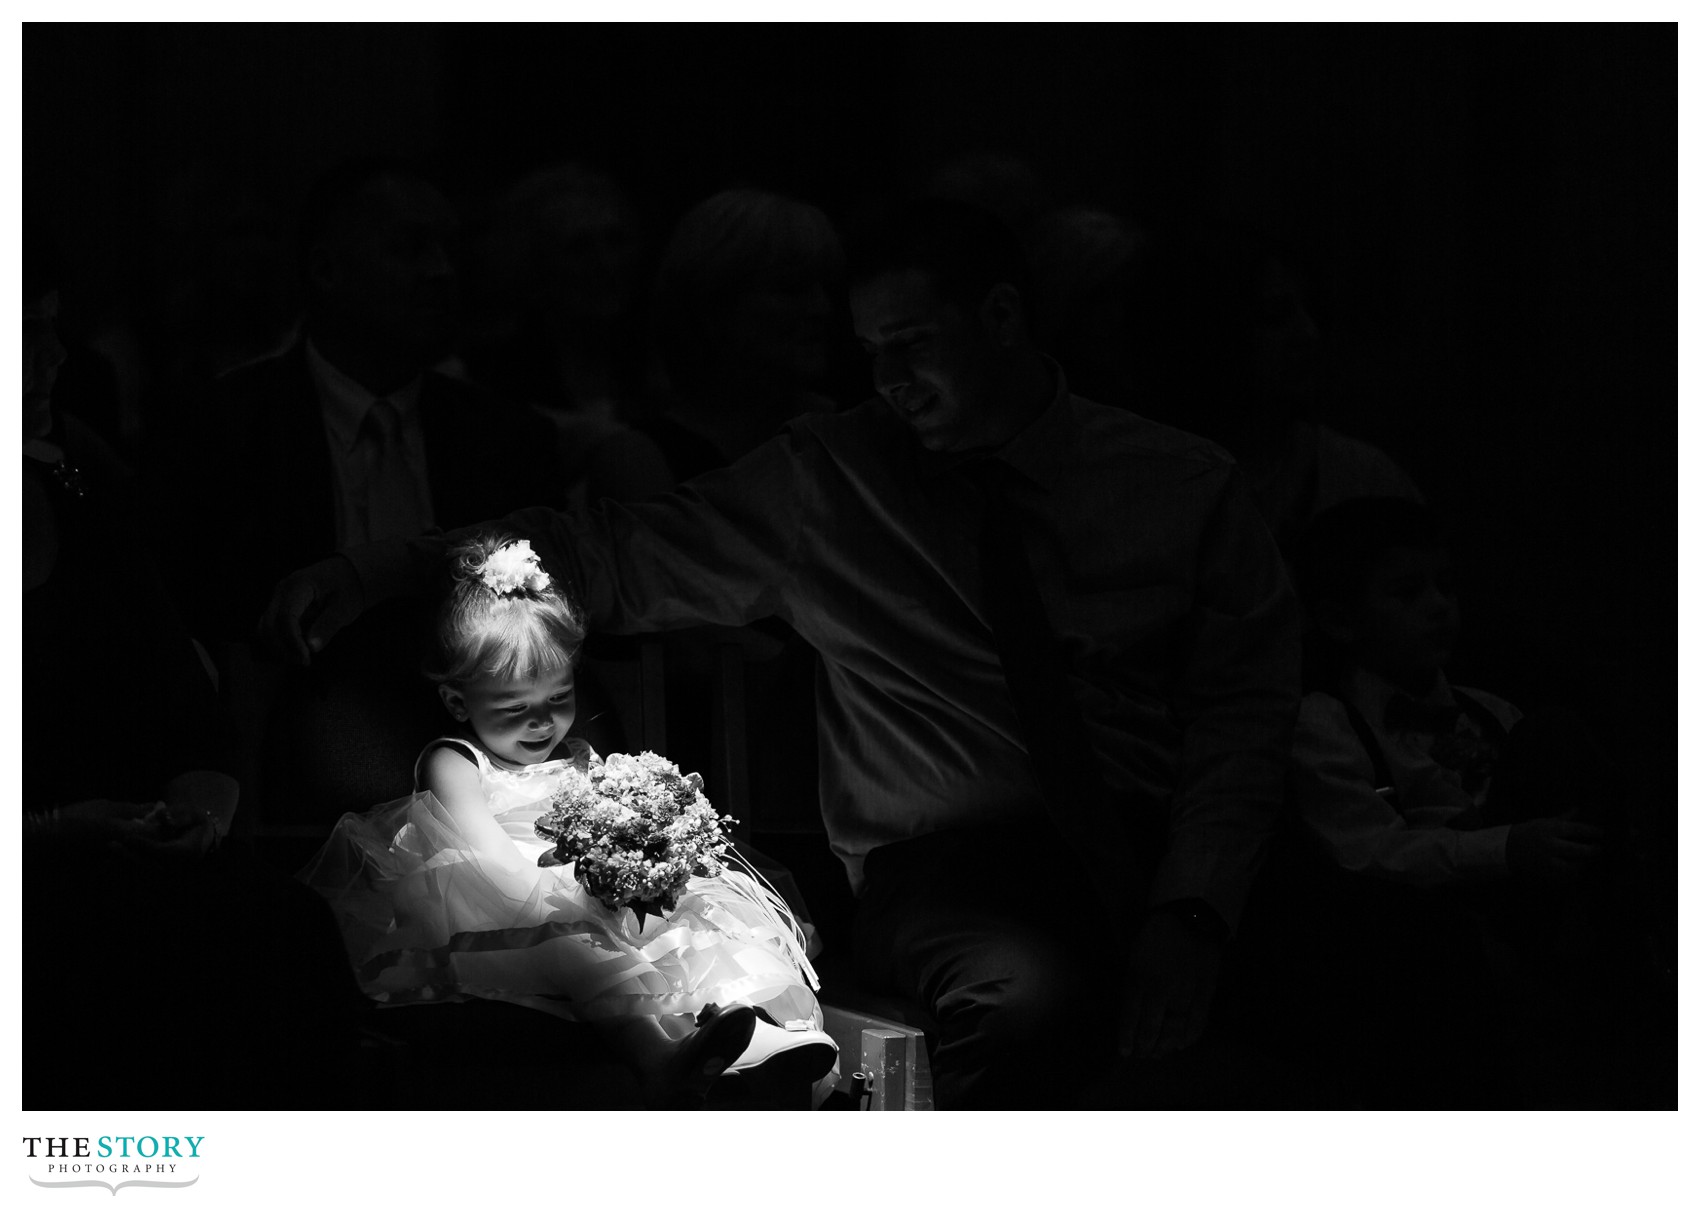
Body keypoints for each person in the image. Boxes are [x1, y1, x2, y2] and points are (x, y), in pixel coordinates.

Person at [263, 200, 1302, 1109]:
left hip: (1153, 834)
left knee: (1371, 963)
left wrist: (1194, 905)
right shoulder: (832, 479)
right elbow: (612, 552)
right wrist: (391, 567)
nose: (884, 378)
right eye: (869, 349)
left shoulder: (1174, 485)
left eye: (911, 343)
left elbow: (1241, 719)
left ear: (999, 317)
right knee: (1024, 1001)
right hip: (954, 865)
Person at [298, 533, 838, 1109]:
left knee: (703, 920)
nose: (542, 723)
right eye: (514, 709)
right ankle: (658, 1058)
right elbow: (490, 862)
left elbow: (616, 825)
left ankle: (758, 1037)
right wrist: (573, 901)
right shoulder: (453, 760)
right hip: (498, 904)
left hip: (591, 892)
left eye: (559, 698)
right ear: (460, 704)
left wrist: (647, 859)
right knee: (575, 950)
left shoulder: (578, 758)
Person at [23, 227, 368, 1109]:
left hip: (123, 854)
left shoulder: (78, 485)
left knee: (278, 929)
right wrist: (60, 826)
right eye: (25, 332)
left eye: (55, 326)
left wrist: (203, 797)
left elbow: (182, 699)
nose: (53, 357)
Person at [1285, 496, 1667, 1106]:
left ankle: (1622, 960)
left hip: (1538, 899)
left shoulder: (1491, 709)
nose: (1439, 607)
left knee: (1568, 738)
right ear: (1338, 619)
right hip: (1427, 932)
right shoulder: (1326, 722)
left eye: (1446, 586)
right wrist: (1504, 848)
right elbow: (1363, 849)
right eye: (1408, 593)